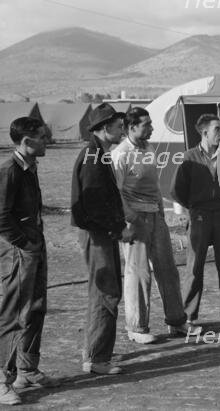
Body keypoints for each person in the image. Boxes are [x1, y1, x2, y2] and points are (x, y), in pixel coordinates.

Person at [112, 107, 189, 344]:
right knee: (138, 274)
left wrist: (162, 215)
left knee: (168, 270)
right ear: (131, 127)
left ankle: (176, 321)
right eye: (146, 124)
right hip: (135, 220)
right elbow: (117, 192)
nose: (152, 127)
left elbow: (154, 185)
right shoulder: (120, 154)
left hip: (156, 217)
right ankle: (137, 327)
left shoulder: (149, 148)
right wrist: (131, 220)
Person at [170, 114, 220, 329]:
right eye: (218, 129)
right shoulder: (188, 158)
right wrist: (194, 207)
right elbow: (176, 191)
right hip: (199, 217)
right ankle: (186, 319)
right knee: (194, 268)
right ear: (205, 132)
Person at [0, 117, 59, 405]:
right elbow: (1, 216)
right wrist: (24, 243)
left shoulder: (29, 168)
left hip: (34, 247)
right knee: (12, 313)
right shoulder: (10, 170)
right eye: (41, 137)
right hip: (17, 252)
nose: (46, 141)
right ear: (26, 141)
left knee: (36, 307)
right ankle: (2, 378)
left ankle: (27, 368)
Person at [71, 103, 127, 375]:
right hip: (98, 234)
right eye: (118, 127)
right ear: (105, 128)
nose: (122, 131)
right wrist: (118, 228)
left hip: (101, 233)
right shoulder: (93, 157)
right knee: (106, 291)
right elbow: (93, 207)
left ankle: (93, 352)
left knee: (101, 291)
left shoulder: (98, 154)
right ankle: (97, 358)